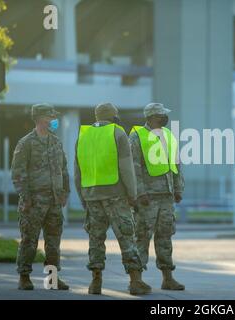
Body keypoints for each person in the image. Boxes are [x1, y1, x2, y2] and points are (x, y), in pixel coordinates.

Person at [74, 102, 151, 295]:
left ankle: (95, 282)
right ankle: (135, 281)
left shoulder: (83, 135)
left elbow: (78, 171)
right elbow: (126, 167)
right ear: (114, 116)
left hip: (92, 196)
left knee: (95, 239)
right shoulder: (118, 133)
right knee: (126, 237)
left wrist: (83, 196)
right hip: (115, 195)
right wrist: (132, 193)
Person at [11, 103, 70, 290]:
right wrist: (26, 198)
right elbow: (18, 174)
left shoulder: (56, 142)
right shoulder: (26, 143)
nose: (54, 120)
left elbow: (64, 169)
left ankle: (52, 279)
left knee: (53, 243)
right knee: (29, 240)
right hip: (33, 202)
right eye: (51, 117)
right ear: (40, 119)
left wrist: (65, 192)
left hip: (54, 201)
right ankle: (24, 276)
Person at [129, 102, 185, 291]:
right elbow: (133, 168)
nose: (164, 118)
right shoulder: (137, 137)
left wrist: (178, 189)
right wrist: (140, 192)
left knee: (165, 237)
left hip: (167, 197)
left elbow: (176, 164)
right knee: (142, 237)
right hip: (148, 197)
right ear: (152, 116)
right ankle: (135, 280)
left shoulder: (168, 136)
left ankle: (167, 278)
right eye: (161, 115)